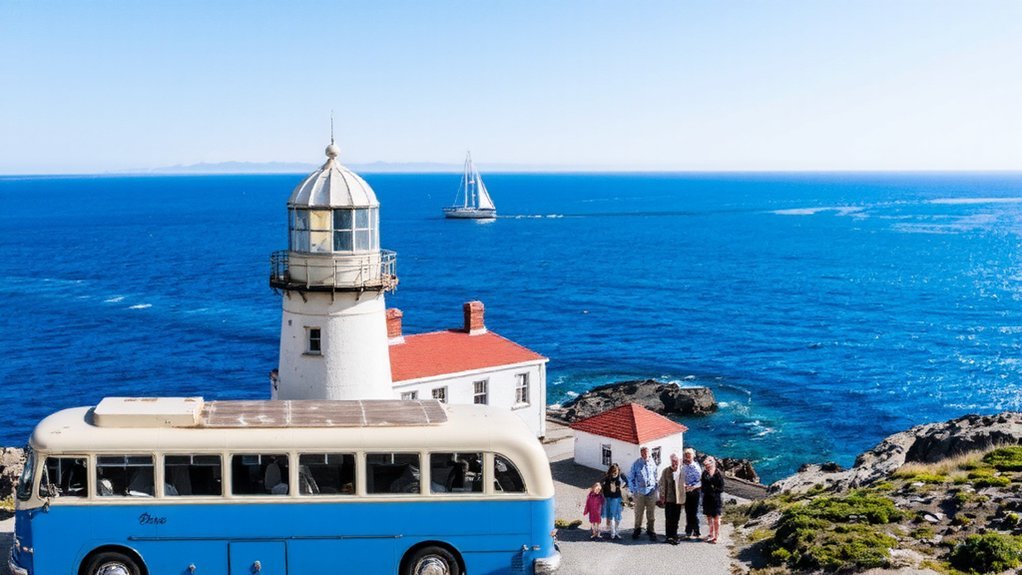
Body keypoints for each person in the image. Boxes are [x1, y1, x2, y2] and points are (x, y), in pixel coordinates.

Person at [628, 446, 660, 541]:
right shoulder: (636, 464)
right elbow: (630, 478)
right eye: (643, 453)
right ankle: (637, 529)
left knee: (651, 513)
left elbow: (655, 474)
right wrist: (634, 490)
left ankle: (651, 530)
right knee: (638, 513)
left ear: (649, 453)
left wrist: (656, 487)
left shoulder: (652, 462)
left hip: (651, 491)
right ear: (641, 454)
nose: (645, 455)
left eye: (646, 453)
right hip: (640, 493)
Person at [658, 453, 685, 545]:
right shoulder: (666, 471)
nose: (674, 463)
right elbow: (661, 484)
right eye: (673, 461)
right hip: (668, 498)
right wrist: (662, 496)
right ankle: (668, 536)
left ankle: (674, 535)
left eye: (676, 461)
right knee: (668, 518)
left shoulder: (682, 471)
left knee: (676, 518)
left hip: (678, 499)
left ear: (679, 461)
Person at [701, 456, 725, 543]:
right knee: (708, 517)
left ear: (712, 464)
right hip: (707, 498)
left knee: (716, 518)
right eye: (705, 466)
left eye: (708, 466)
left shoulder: (718, 473)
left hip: (716, 499)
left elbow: (721, 488)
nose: (706, 468)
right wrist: (708, 489)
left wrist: (712, 489)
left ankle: (717, 535)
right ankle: (710, 534)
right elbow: (703, 486)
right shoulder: (704, 473)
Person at [600, 463, 627, 539]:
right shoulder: (611, 476)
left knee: (613, 515)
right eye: (613, 471)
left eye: (616, 470)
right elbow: (601, 483)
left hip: (613, 498)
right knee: (613, 515)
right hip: (612, 498)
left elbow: (627, 482)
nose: (615, 472)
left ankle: (613, 531)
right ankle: (613, 531)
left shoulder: (617, 476)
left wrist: (621, 487)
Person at [681, 447, 702, 540]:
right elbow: (682, 479)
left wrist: (694, 487)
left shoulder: (696, 467)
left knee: (694, 512)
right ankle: (688, 531)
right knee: (688, 512)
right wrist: (684, 485)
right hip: (687, 491)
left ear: (692, 456)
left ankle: (696, 531)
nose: (687, 458)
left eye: (689, 456)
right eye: (686, 456)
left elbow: (700, 480)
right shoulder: (683, 468)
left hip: (695, 491)